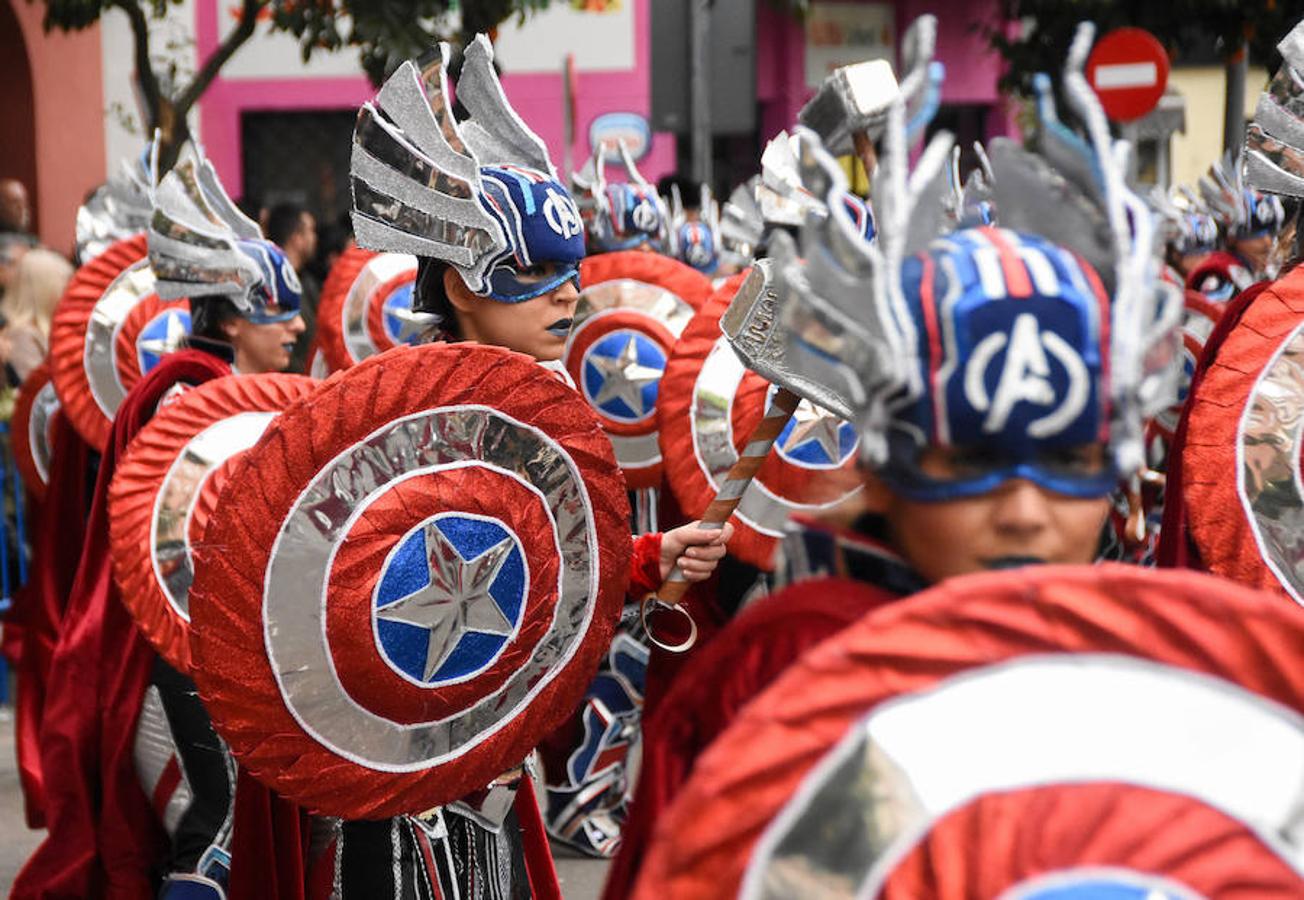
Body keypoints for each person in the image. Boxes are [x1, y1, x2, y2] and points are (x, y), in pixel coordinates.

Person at [602, 30, 1182, 896]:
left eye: (1067, 459)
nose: (1026, 512)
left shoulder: (1153, 671)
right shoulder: (772, 671)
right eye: (973, 457)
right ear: (885, 454)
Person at [216, 34, 729, 900]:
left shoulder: (542, 412)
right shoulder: (387, 414)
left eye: (571, 274)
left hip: (491, 774)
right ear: (460, 285)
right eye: (535, 273)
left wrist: (646, 563)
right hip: (388, 791)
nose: (570, 296)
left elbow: (534, 574)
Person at [12, 154, 305, 900]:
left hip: (208, 655)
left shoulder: (201, 389)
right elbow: (183, 557)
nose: (298, 325)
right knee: (212, 825)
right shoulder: (186, 402)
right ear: (234, 316)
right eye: (280, 310)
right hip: (172, 659)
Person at [0, 247, 71, 383]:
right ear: (44, 290)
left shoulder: (36, 332)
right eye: (64, 285)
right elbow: (34, 394)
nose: (68, 293)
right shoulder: (22, 336)